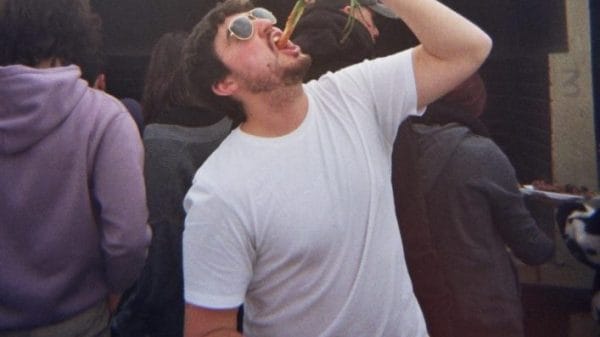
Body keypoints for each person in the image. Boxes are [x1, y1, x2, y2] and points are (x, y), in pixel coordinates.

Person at [180, 0, 492, 336]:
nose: (264, 25)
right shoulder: (220, 189)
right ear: (225, 84)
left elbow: (468, 49)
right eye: (240, 32)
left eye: (261, 16)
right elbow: (207, 330)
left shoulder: (353, 94)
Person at [0, 0, 152, 336]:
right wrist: (115, 288)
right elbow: (126, 240)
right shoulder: (106, 118)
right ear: (74, 32)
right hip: (79, 322)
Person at [392, 73, 555, 337]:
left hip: (418, 310)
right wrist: (552, 212)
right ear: (476, 103)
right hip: (486, 314)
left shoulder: (394, 153)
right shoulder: (483, 154)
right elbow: (534, 249)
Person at [110, 31, 233, 337]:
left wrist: (121, 323)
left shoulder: (158, 142)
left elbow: (159, 258)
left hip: (169, 314)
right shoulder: (233, 130)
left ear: (157, 76)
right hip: (228, 300)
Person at [292, 0, 389, 80]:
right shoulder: (355, 63)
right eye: (373, 20)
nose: (376, 32)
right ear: (349, 10)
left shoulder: (292, 54)